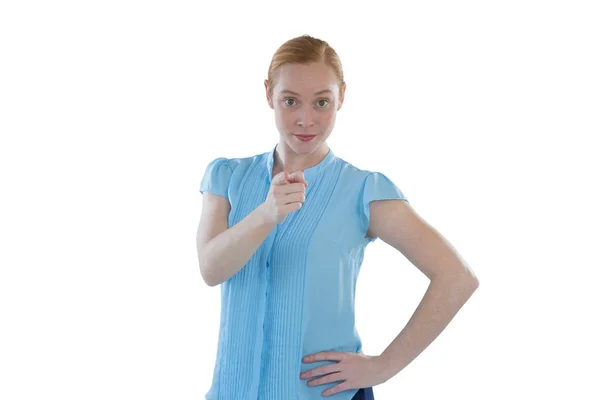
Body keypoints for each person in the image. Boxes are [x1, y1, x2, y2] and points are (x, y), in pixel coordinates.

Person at [197, 34, 479, 400]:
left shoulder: (363, 191)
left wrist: (383, 365)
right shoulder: (227, 177)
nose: (305, 119)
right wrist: (266, 214)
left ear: (342, 96)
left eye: (322, 102)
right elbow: (210, 269)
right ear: (268, 94)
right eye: (290, 101)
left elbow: (457, 278)